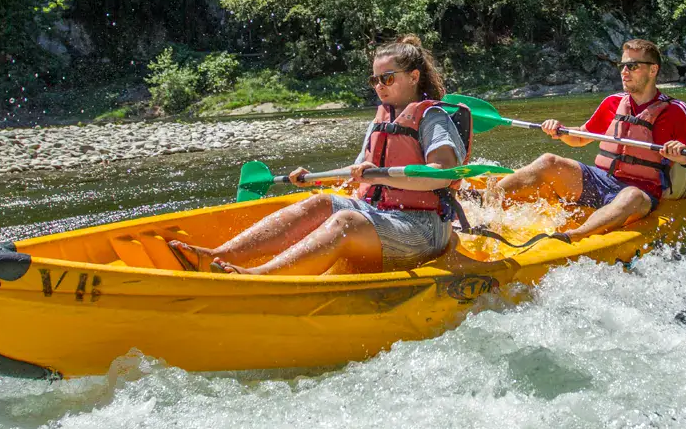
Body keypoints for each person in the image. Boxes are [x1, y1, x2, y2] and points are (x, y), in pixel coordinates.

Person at [168, 35, 468, 275]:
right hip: (383, 214)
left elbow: (442, 174)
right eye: (374, 80)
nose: (379, 87)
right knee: (320, 203)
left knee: (346, 220)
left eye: (387, 79)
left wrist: (378, 175)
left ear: (414, 77)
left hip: (423, 227)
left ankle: (261, 276)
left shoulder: (433, 119)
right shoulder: (383, 118)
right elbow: (360, 172)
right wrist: (314, 179)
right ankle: (215, 256)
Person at [493, 38, 686, 241]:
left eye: (633, 66)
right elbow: (580, 138)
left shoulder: (675, 111)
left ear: (653, 70)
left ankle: (573, 237)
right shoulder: (613, 102)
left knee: (631, 196)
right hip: (599, 179)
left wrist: (684, 159)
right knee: (548, 161)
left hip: (642, 193)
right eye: (622, 66)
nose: (624, 72)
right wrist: (559, 130)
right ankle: (485, 199)